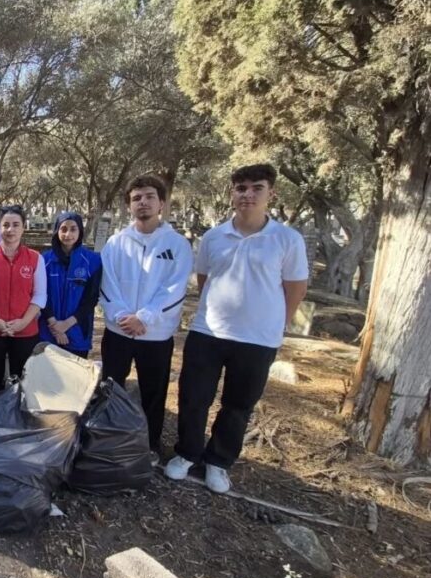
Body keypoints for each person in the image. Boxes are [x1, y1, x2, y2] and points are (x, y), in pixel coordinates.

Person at [166, 164, 308, 494]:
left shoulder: (286, 240)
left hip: (257, 340)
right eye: (241, 188)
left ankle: (218, 462)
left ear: (271, 194)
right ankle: (187, 453)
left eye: (256, 188)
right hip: (209, 333)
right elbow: (205, 281)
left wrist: (277, 324)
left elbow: (295, 288)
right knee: (193, 397)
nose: (247, 194)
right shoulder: (215, 237)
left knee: (238, 404)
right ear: (233, 193)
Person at [99, 174, 193, 464]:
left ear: (161, 203)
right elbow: (107, 283)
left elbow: (175, 288)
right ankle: (107, 438)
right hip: (118, 332)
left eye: (149, 196)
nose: (143, 203)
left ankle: (149, 444)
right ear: (129, 205)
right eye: (137, 198)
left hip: (155, 335)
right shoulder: (116, 243)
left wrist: (145, 318)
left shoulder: (176, 245)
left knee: (154, 391)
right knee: (111, 387)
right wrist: (122, 316)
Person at [0, 206, 46, 391]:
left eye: (15, 225)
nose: (10, 230)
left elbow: (40, 295)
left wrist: (23, 322)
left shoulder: (35, 258)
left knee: (23, 383)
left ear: (23, 227)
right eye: (5, 225)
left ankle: (18, 418)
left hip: (25, 331)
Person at [41, 212, 102, 358]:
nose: (68, 234)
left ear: (80, 231)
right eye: (63, 229)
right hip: (48, 330)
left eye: (73, 229)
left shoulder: (93, 261)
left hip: (78, 331)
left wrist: (66, 325)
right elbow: (41, 294)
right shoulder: (44, 260)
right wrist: (55, 327)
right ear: (57, 231)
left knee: (75, 376)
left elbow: (91, 298)